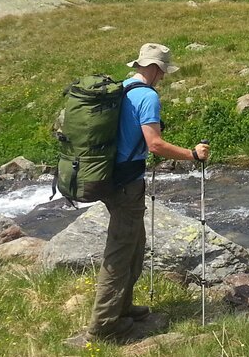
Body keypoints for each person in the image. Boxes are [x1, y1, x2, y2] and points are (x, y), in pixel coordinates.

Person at [85, 43, 211, 341]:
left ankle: (123, 307)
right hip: (127, 183)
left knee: (135, 245)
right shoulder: (147, 97)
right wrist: (192, 154)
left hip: (111, 178)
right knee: (120, 251)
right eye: (163, 72)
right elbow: (154, 144)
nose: (164, 77)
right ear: (155, 69)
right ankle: (104, 326)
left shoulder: (123, 88)